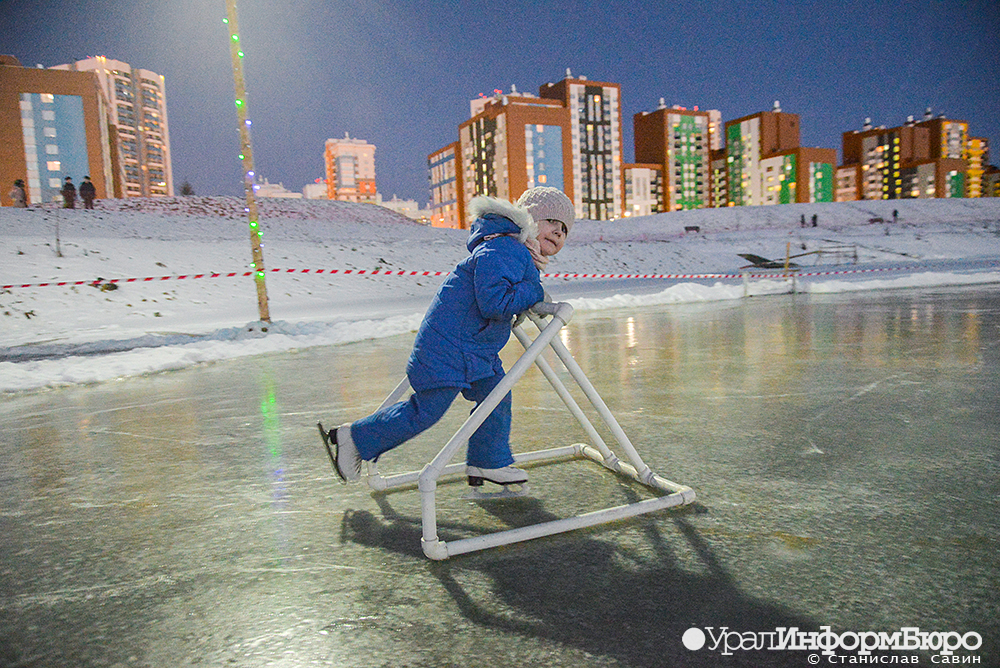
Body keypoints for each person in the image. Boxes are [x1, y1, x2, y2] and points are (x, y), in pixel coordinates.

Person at [320, 186, 574, 488]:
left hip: (475, 349)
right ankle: (354, 439)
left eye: (564, 230)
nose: (557, 233)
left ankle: (488, 461)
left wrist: (527, 292)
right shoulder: (507, 248)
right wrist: (533, 292)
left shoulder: (514, 251)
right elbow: (494, 302)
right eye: (550, 222)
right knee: (426, 411)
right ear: (529, 218)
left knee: (496, 395)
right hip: (451, 347)